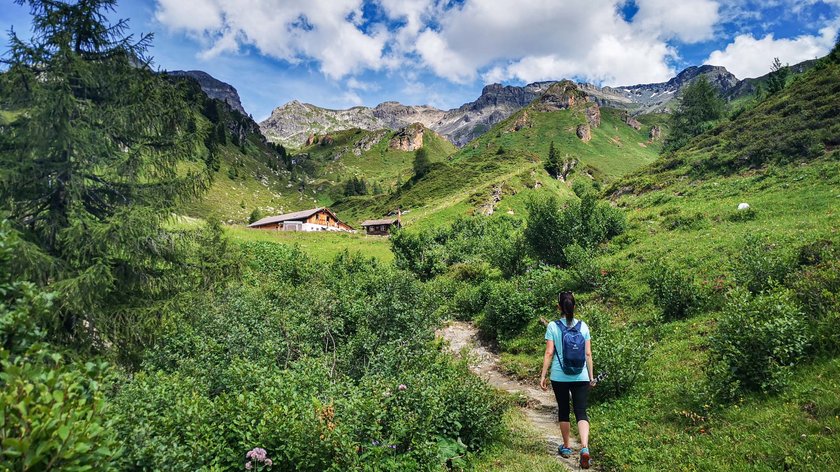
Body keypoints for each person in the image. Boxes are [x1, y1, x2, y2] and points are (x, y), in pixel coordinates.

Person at [540, 291, 595, 469]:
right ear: (574, 306)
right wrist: (591, 377)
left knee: (564, 410)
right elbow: (588, 354)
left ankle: (566, 446)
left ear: (559, 307)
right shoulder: (583, 326)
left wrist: (543, 375)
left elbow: (549, 352)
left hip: (559, 376)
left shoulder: (552, 326)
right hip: (581, 375)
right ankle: (584, 448)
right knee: (581, 411)